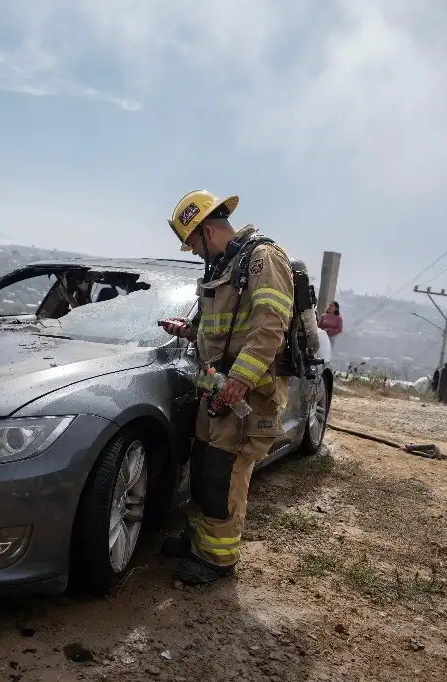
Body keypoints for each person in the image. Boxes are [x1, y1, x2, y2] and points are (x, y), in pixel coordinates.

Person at [158, 189, 294, 585]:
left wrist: (239, 380)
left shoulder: (262, 260)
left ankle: (218, 560)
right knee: (203, 466)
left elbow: (270, 327)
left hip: (245, 393)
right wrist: (188, 330)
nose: (195, 251)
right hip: (216, 387)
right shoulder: (224, 265)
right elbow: (222, 330)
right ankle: (199, 540)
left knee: (224, 475)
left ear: (205, 230)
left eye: (193, 243)